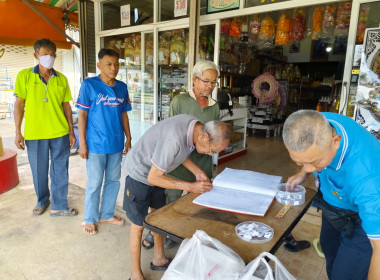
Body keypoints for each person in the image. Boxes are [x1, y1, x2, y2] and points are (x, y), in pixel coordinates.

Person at [122, 114, 231, 280]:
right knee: (138, 226)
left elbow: (179, 152)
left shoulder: (194, 128)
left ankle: (159, 259)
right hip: (139, 174)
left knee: (157, 218)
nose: (210, 155)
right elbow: (153, 177)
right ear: (205, 136)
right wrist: (190, 186)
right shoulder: (173, 138)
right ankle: (136, 274)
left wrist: (197, 171)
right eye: (212, 150)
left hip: (157, 172)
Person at [283, 110, 380, 280]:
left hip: (360, 221)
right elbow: (308, 158)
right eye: (300, 162)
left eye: (315, 162)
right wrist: (302, 172)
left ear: (336, 142)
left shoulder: (367, 179)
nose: (309, 168)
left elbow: (379, 250)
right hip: (333, 207)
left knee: (346, 275)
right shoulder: (316, 122)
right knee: (329, 248)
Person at [142, 60, 221, 249]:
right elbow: (170, 135)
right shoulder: (180, 101)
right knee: (170, 200)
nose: (209, 86)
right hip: (178, 162)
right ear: (194, 80)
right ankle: (157, 232)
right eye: (205, 81)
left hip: (202, 163)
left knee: (197, 202)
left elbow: (214, 137)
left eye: (213, 82)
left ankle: (180, 232)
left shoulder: (214, 107)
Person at [14, 38, 78, 217]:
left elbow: (67, 106)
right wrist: (18, 131)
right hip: (35, 133)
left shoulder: (61, 79)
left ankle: (59, 205)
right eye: (44, 54)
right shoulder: (24, 76)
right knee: (39, 170)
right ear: (36, 55)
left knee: (60, 170)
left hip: (59, 132)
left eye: (52, 54)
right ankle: (42, 200)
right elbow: (19, 105)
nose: (49, 58)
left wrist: (71, 132)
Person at [76, 48, 132, 235]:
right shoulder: (89, 85)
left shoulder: (122, 87)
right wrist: (82, 143)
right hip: (96, 144)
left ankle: (106, 214)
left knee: (113, 181)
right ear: (99, 65)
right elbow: (82, 115)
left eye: (116, 64)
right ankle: (90, 218)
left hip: (116, 143)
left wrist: (129, 137)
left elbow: (124, 114)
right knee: (94, 182)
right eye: (108, 64)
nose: (113, 68)